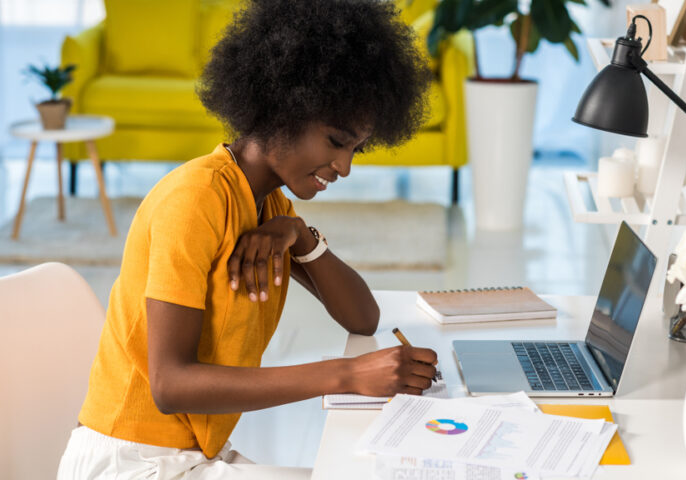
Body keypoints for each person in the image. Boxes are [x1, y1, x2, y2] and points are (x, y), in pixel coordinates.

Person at [57, 0, 435, 478]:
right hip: (132, 462)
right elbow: (169, 385)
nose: (344, 167)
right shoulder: (196, 200)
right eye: (336, 142)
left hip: (193, 455)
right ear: (283, 108)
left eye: (355, 149)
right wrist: (345, 376)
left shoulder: (269, 204)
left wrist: (301, 237)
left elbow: (363, 317)